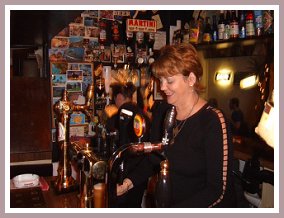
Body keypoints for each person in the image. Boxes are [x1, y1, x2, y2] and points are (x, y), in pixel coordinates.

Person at [116, 44, 237, 208]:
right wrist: (128, 183)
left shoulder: (213, 121)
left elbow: (218, 191)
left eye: (169, 80)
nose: (162, 87)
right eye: (161, 80)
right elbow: (153, 159)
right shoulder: (163, 111)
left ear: (191, 79)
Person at [106, 81, 150, 208]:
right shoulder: (143, 116)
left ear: (119, 97)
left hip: (121, 173)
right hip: (140, 173)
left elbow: (110, 146)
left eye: (115, 98)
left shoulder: (115, 117)